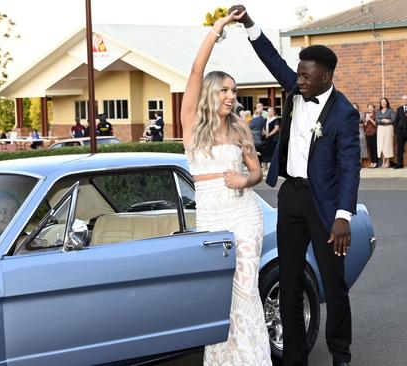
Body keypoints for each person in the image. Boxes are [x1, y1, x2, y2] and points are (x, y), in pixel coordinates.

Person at [232, 5, 361, 366]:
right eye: (299, 74)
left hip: (325, 206)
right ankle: (293, 358)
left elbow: (351, 168)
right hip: (290, 197)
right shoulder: (294, 91)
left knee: (334, 286)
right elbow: (271, 59)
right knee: (288, 282)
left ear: (325, 77)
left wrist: (343, 217)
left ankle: (341, 355)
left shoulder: (344, 114)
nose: (298, 80)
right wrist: (250, 25)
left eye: (306, 76)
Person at [179, 9, 271, 365]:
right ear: (211, 93)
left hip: (244, 216)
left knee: (246, 293)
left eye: (234, 90)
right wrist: (216, 29)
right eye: (225, 90)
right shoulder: (191, 125)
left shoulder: (240, 129)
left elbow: (257, 173)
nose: (232, 96)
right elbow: (195, 71)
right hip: (211, 220)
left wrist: (242, 180)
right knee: (221, 297)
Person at [394, 94, 407, 169]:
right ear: (402, 101)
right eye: (403, 99)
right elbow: (396, 121)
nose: (405, 101)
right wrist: (397, 130)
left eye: (406, 99)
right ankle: (399, 164)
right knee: (400, 148)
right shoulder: (399, 109)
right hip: (400, 131)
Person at [376, 97, 395, 168]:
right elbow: (376, 120)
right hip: (380, 129)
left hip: (388, 128)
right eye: (382, 102)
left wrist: (388, 121)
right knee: (381, 145)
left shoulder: (390, 110)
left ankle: (388, 162)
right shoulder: (378, 111)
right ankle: (383, 161)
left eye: (384, 101)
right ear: (380, 103)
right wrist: (381, 121)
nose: (383, 103)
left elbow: (393, 119)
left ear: (387, 102)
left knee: (388, 144)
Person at [363, 103, 378, 168]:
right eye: (369, 107)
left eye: (371, 107)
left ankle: (375, 162)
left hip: (374, 133)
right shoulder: (366, 115)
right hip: (368, 134)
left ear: (373, 108)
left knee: (374, 148)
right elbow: (364, 126)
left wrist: (370, 119)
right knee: (370, 148)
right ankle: (371, 162)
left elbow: (376, 124)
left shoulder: (376, 114)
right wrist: (365, 121)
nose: (370, 108)